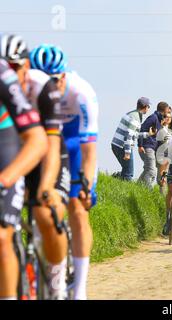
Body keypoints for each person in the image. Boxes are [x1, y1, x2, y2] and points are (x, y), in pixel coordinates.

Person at [1, 35, 70, 299]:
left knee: (45, 213)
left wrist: (45, 187)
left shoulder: (43, 87)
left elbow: (50, 144)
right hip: (13, 153)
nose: (11, 72)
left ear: (27, 66)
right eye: (6, 65)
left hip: (47, 153)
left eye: (16, 66)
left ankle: (56, 284)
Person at [31, 44, 99, 299]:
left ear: (65, 75)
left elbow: (89, 151)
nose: (49, 88)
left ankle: (79, 287)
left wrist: (86, 186)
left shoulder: (81, 93)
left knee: (79, 210)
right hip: (44, 142)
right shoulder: (29, 91)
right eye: (43, 81)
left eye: (55, 81)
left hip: (72, 144)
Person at [0, 56, 48, 300]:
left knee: (1, 237)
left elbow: (39, 140)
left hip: (6, 153)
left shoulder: (3, 75)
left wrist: (5, 179)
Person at [111, 97, 154, 181]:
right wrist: (127, 152)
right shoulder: (135, 118)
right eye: (148, 107)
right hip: (122, 146)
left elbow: (134, 134)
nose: (148, 109)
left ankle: (115, 178)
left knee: (126, 170)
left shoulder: (132, 114)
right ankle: (125, 191)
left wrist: (148, 134)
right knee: (128, 173)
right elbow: (129, 136)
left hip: (116, 144)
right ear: (145, 107)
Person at [138, 101, 170, 187]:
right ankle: (148, 190)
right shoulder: (153, 118)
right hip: (147, 147)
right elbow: (142, 130)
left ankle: (137, 186)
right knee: (152, 171)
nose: (167, 114)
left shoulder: (159, 121)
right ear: (164, 110)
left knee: (148, 170)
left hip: (152, 148)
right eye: (167, 111)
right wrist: (140, 145)